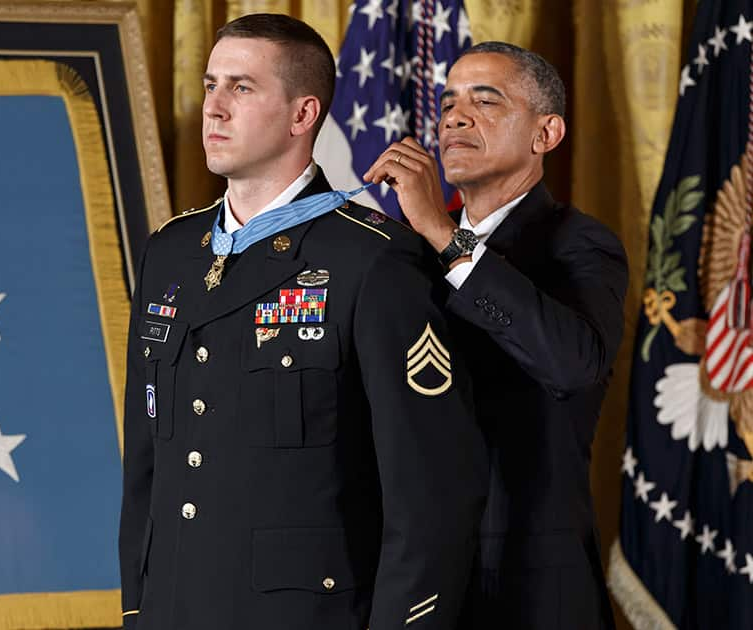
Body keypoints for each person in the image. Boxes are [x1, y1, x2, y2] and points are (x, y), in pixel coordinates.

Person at [118, 13, 487, 630]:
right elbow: (145, 461)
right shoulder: (172, 252)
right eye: (211, 85)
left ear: (302, 114)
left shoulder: (370, 258)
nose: (213, 109)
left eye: (242, 88)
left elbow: (429, 494)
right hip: (174, 607)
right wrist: (138, 605)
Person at [364, 42, 628, 629]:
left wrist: (443, 234)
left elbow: (572, 365)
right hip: (407, 586)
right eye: (448, 102)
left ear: (546, 134)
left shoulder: (581, 245)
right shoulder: (399, 255)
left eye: (486, 101)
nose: (454, 117)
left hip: (527, 589)